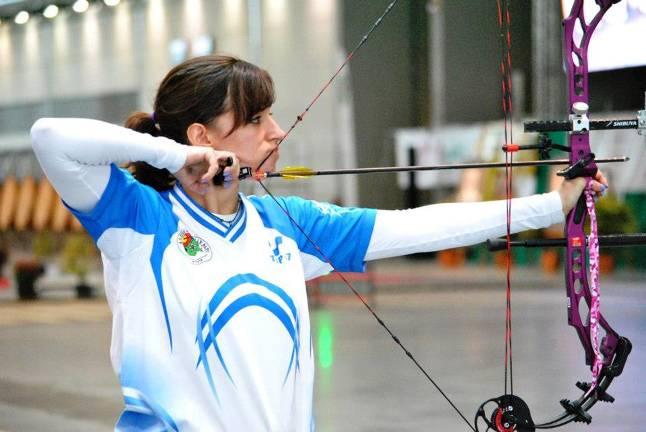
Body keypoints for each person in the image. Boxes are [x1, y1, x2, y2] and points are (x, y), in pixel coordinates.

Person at [30, 55, 607, 432]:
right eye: (256, 119)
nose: (277, 132)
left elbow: (421, 225)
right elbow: (50, 137)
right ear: (204, 136)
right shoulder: (137, 220)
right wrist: (176, 158)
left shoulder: (286, 224)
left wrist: (551, 206)